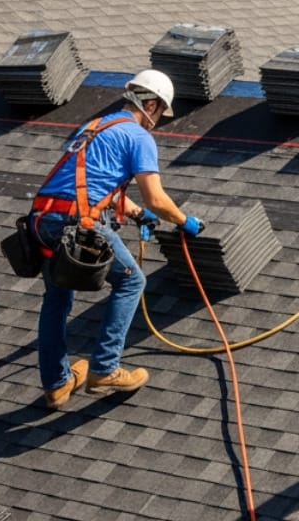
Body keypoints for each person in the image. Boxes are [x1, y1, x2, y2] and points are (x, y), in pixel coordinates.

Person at [30, 70, 204, 410]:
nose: (157, 121)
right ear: (151, 105)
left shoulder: (94, 127)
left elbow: (92, 186)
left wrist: (137, 213)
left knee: (57, 300)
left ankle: (57, 384)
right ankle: (105, 369)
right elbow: (157, 197)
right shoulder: (138, 137)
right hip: (78, 223)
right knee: (131, 281)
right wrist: (185, 222)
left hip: (43, 219)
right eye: (159, 113)